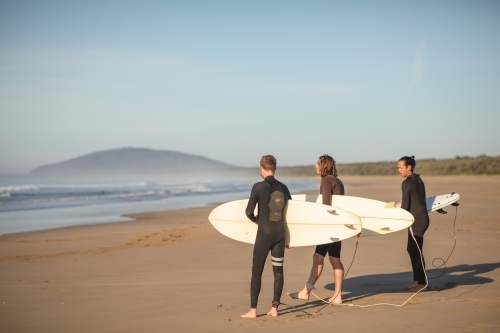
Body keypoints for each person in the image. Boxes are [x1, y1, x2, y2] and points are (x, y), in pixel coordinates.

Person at [287, 154, 345, 304]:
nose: (315, 166)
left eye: (317, 163)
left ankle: (305, 292)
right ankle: (337, 295)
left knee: (318, 257)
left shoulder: (326, 181)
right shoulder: (338, 181)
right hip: (338, 226)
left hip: (329, 226)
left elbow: (326, 206)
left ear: (323, 165)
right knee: (334, 258)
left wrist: (317, 227)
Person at [241, 155, 291, 319]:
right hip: (280, 235)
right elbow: (291, 215)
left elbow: (248, 212)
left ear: (261, 169)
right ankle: (274, 308)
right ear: (274, 169)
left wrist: (257, 221)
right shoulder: (284, 188)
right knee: (278, 272)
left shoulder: (258, 187)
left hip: (264, 234)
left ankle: (253, 311)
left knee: (257, 271)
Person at [396, 156, 429, 292]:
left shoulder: (406, 183)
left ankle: (421, 282)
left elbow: (406, 207)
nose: (398, 170)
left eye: (400, 168)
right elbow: (415, 197)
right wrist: (401, 202)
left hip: (415, 221)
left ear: (408, 167)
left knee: (416, 251)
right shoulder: (418, 180)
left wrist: (395, 212)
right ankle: (417, 280)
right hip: (422, 218)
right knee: (412, 249)